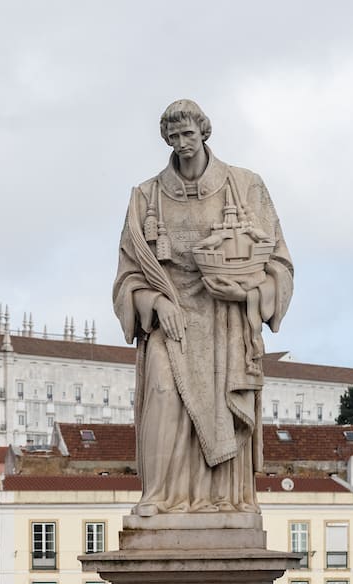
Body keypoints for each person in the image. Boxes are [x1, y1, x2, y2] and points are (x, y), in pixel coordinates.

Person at [113, 99, 293, 516]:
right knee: (162, 393)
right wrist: (155, 301)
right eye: (173, 137)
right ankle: (160, 496)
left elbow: (279, 265)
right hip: (170, 318)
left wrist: (250, 294)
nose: (182, 144)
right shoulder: (146, 196)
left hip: (226, 321)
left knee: (222, 407)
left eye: (188, 135)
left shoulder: (245, 187)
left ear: (204, 133)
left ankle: (224, 500)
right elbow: (126, 277)